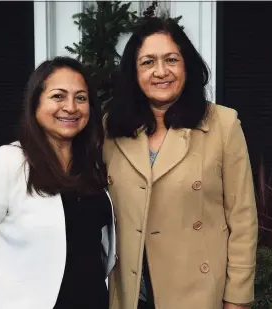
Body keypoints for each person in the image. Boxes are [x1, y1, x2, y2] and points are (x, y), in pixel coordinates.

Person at [103, 17, 258, 309]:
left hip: (196, 292)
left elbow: (242, 218)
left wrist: (237, 298)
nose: (161, 72)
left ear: (187, 65)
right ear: (133, 73)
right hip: (130, 293)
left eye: (171, 59)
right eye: (148, 62)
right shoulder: (112, 128)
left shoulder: (223, 124)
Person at [0, 56, 116, 309]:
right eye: (58, 96)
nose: (71, 107)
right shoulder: (6, 164)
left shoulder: (91, 167)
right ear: (35, 103)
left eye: (81, 98)